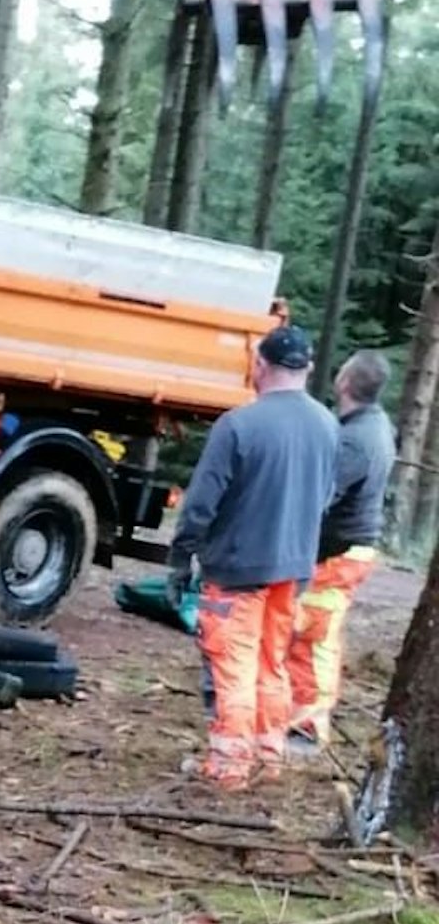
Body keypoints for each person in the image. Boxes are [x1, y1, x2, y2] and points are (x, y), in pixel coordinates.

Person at [168, 324, 339, 790]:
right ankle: (269, 756)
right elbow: (326, 497)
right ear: (306, 369)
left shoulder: (239, 424)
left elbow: (201, 503)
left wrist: (181, 558)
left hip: (239, 568)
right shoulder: (328, 425)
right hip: (293, 569)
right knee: (272, 663)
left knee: (234, 665)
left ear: (260, 365)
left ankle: (229, 767)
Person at [287, 350, 396, 754]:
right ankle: (297, 716)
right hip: (345, 549)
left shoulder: (355, 440)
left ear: (345, 382)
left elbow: (318, 496)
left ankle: (308, 728)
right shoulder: (371, 426)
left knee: (312, 636)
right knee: (311, 633)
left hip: (339, 553)